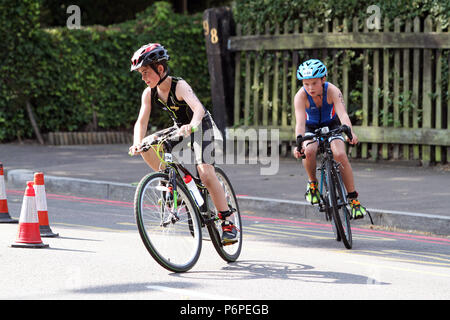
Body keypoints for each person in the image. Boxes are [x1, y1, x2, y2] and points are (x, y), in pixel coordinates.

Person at [128, 43, 238, 244]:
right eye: (141, 74)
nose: (143, 78)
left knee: (205, 173)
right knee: (146, 145)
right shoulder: (149, 93)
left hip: (202, 126)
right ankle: (173, 184)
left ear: (160, 69)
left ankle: (228, 220)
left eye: (145, 72)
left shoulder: (179, 85)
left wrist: (193, 125)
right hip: (180, 127)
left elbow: (198, 109)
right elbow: (141, 121)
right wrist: (137, 143)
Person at [292, 59, 367, 219]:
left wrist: (350, 133)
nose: (310, 88)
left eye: (314, 83)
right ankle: (313, 184)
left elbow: (343, 114)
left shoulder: (332, 90)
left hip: (332, 125)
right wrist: (299, 144)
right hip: (310, 128)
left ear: (323, 79)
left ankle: (353, 200)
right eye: (306, 84)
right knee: (309, 150)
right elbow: (300, 123)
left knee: (339, 154)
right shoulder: (300, 96)